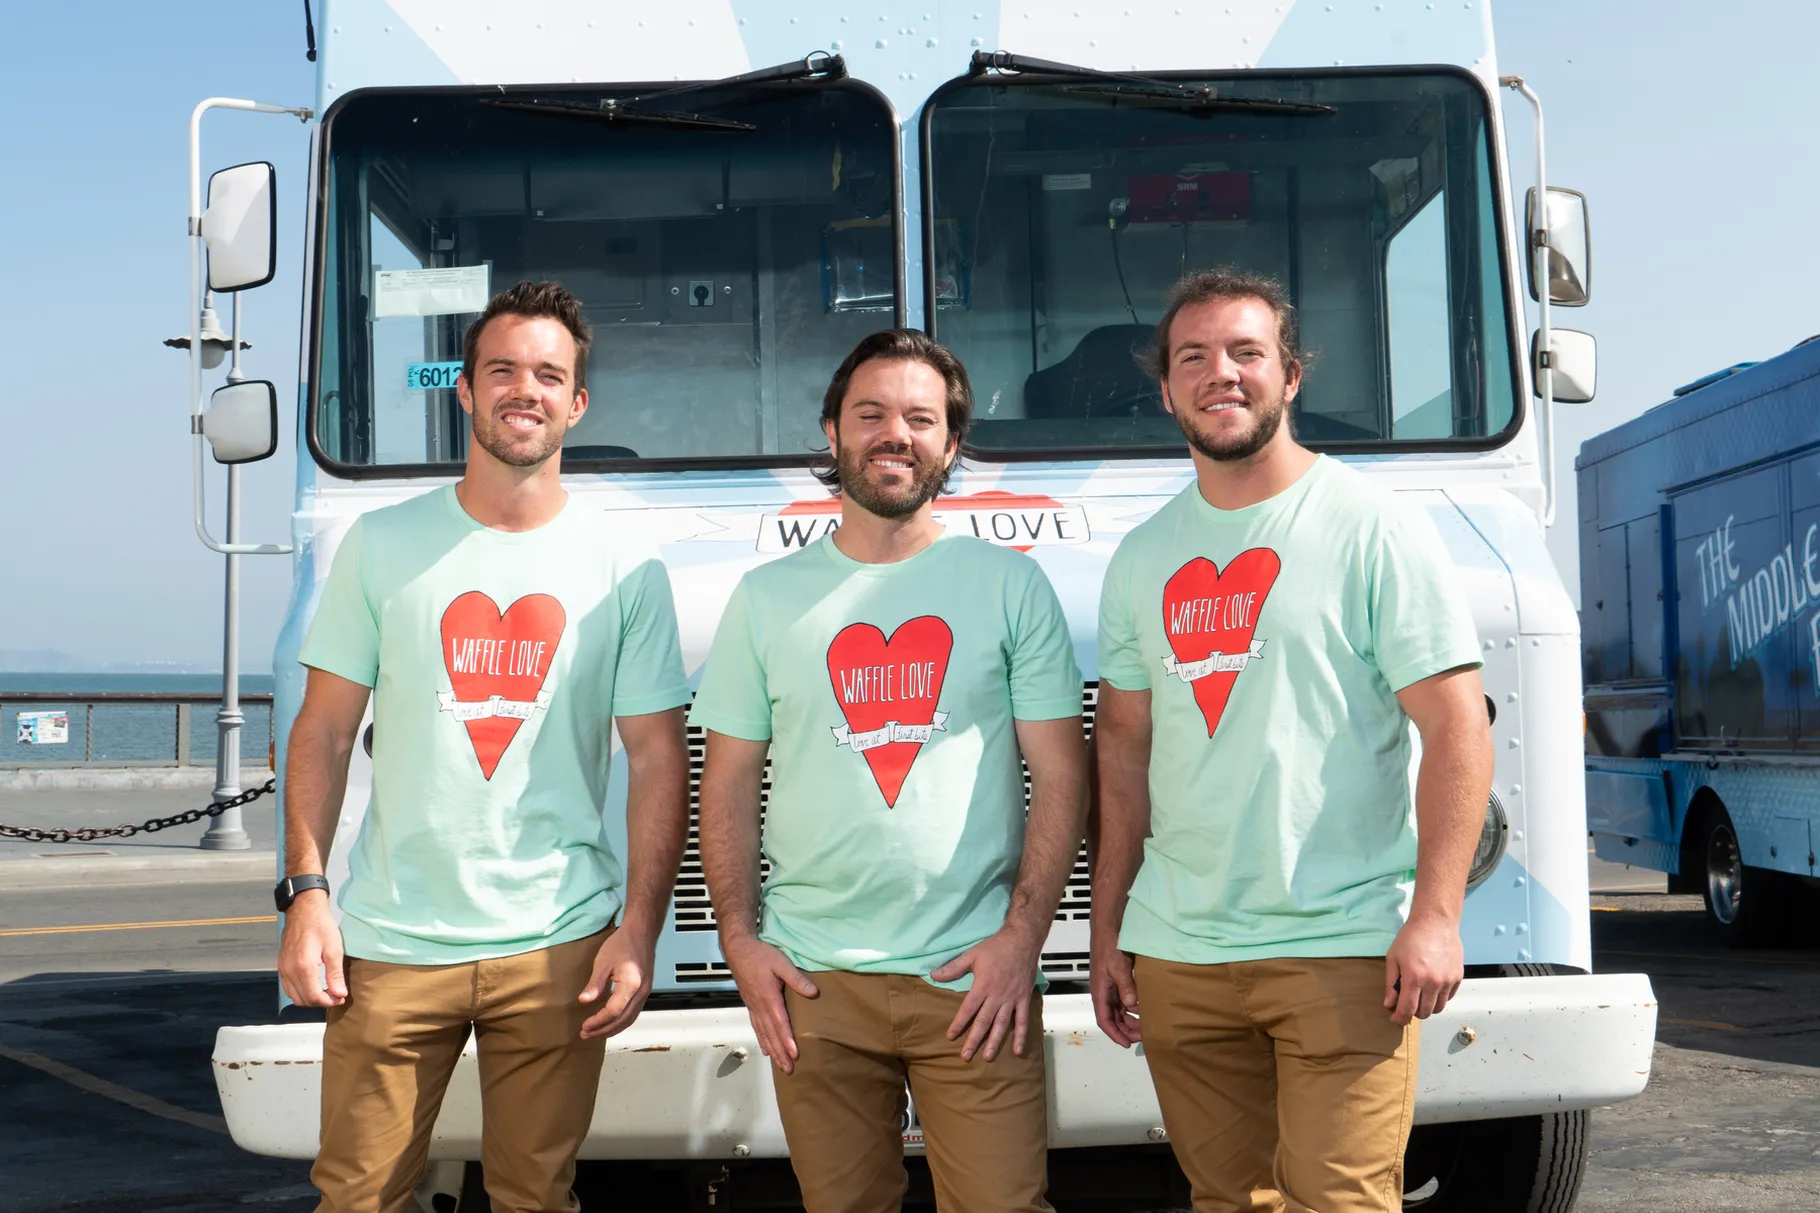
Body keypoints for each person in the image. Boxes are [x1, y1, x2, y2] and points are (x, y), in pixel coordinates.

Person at [277, 280, 691, 1213]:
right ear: (464, 392)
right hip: (391, 940)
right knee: (355, 1198)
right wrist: (306, 895)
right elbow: (324, 730)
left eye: (549, 374)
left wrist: (639, 926)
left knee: (536, 1198)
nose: (524, 389)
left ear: (576, 403)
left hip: (558, 943)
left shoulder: (627, 564)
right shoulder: (379, 545)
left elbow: (660, 758)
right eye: (501, 369)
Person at [1089, 268, 1494, 1213]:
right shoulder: (1142, 553)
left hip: (1343, 942)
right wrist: (1111, 930)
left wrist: (1435, 914)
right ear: (1165, 388)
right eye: (1193, 357)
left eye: (1245, 352)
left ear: (1292, 375)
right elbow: (1123, 754)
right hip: (1181, 953)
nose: (1219, 374)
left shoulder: (1374, 528)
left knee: (1342, 1199)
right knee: (1228, 1201)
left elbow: (1456, 728)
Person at [692, 329, 1088, 1213]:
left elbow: (1062, 774)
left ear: (952, 443)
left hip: (973, 980)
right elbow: (725, 784)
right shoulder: (765, 599)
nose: (895, 434)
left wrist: (1023, 940)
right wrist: (740, 942)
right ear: (832, 431)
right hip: (814, 982)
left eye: (920, 417)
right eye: (871, 414)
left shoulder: (1011, 587)